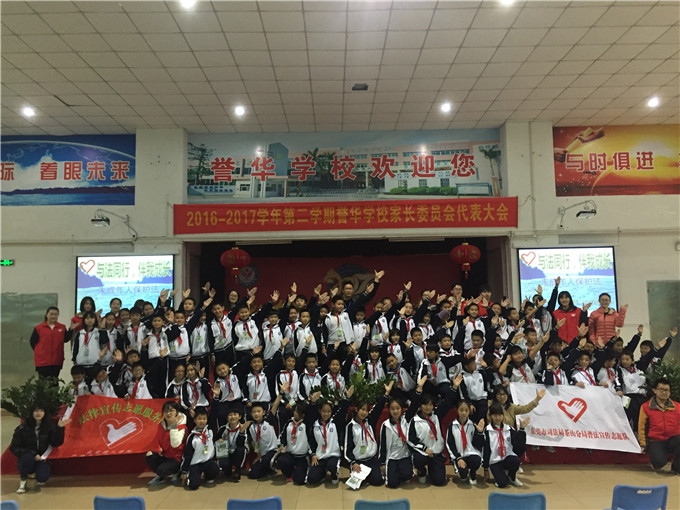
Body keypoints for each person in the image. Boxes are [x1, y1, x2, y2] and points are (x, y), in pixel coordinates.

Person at [10, 403, 70, 494]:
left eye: (41, 410)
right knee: (27, 458)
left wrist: (60, 428)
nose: (39, 413)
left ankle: (38, 474)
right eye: (36, 411)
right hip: (27, 457)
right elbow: (14, 447)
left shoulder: (49, 426)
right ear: (31, 412)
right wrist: (33, 454)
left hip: (42, 458)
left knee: (43, 478)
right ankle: (23, 481)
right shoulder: (23, 428)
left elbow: (55, 443)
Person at [639, 378, 680, 475]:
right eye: (661, 389)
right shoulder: (645, 407)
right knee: (659, 463)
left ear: (670, 392)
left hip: (673, 439)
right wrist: (643, 444)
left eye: (666, 390)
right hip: (655, 441)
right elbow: (641, 427)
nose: (664, 392)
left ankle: (676, 468)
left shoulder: (678, 407)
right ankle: (658, 460)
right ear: (655, 390)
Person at [483, 402, 529, 488]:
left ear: (503, 415)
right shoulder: (487, 431)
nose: (498, 418)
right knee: (502, 484)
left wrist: (522, 429)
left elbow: (519, 445)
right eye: (495, 415)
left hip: (507, 458)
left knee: (516, 461)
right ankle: (501, 475)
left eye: (500, 415)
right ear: (490, 416)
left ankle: (512, 477)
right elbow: (486, 450)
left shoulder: (509, 429)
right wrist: (486, 468)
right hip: (495, 461)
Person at [146, 401, 188, 487]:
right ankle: (161, 477)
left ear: (176, 412)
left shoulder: (182, 427)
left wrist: (173, 425)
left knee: (161, 470)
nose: (168, 413)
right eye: (166, 411)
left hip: (177, 459)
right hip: (165, 456)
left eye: (171, 411)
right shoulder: (161, 425)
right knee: (149, 455)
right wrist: (158, 448)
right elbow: (158, 439)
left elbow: (175, 444)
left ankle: (177, 472)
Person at [446, 400, 485, 485]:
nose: (463, 413)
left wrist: (479, 432)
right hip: (459, 455)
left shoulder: (472, 425)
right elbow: (450, 444)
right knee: (463, 475)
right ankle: (463, 474)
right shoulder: (452, 426)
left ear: (469, 412)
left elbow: (478, 444)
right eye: (461, 410)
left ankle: (472, 473)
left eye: (466, 410)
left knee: (476, 460)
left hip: (470, 453)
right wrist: (458, 458)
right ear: (457, 410)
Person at [180, 407, 219, 490]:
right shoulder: (192, 437)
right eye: (199, 419)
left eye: (204, 419)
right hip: (196, 464)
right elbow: (188, 455)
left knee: (215, 468)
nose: (202, 421)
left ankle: (207, 476)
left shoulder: (210, 431)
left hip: (207, 461)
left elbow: (214, 414)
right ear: (195, 420)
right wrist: (184, 471)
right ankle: (193, 476)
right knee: (193, 486)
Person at [30, 306, 72, 380]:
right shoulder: (39, 328)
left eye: (56, 314)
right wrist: (40, 352)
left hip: (57, 361)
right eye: (51, 314)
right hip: (42, 362)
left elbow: (65, 339)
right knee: (43, 383)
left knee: (54, 382)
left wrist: (71, 330)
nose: (53, 316)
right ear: (47, 315)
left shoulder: (62, 327)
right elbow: (32, 342)